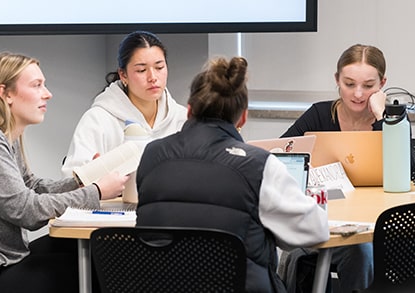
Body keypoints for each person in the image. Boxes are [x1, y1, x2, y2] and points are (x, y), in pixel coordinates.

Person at [0, 52, 128, 293]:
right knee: (96, 267)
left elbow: (31, 186)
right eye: (37, 85)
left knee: (89, 250)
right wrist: (95, 192)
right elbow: (25, 210)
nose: (47, 93)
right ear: (6, 93)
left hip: (0, 259)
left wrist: (83, 180)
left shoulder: (4, 137)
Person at [135, 56, 330, 292]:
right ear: (243, 117)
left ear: (189, 111)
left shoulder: (152, 156)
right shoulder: (259, 166)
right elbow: (314, 230)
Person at [280, 44, 386, 293]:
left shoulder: (391, 120)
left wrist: (382, 116)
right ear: (337, 80)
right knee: (352, 252)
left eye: (368, 86)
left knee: (363, 251)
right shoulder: (318, 115)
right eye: (349, 84)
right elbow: (280, 154)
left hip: (373, 225)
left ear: (382, 84)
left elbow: (407, 171)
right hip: (325, 221)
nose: (358, 94)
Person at [61, 30, 187, 177]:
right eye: (141, 70)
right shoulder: (98, 119)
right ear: (123, 75)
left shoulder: (182, 118)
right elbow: (71, 179)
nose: (153, 77)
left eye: (159, 68)